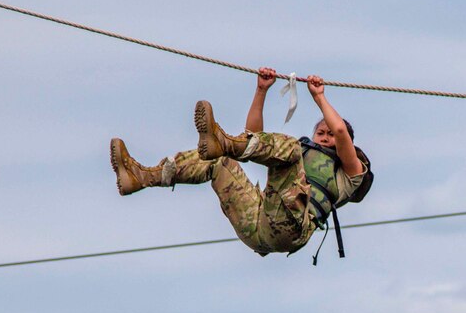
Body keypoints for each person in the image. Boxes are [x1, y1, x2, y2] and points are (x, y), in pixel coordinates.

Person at [109, 68, 368, 256]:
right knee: (220, 162)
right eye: (320, 133)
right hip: (256, 225)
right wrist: (261, 90)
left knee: (288, 148)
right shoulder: (300, 153)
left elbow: (342, 132)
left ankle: (223, 142)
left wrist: (319, 97)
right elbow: (253, 137)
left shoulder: (350, 171)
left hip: (291, 229)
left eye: (329, 135)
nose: (324, 137)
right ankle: (141, 177)